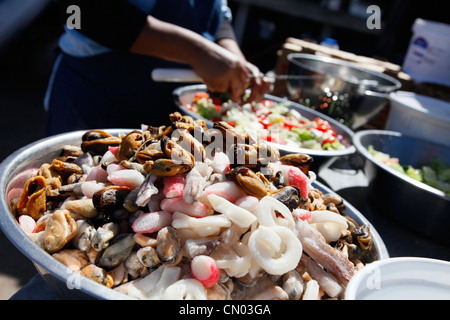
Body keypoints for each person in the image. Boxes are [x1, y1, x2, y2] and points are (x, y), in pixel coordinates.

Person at [45, 0, 271, 135]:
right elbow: (75, 11)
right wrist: (198, 51)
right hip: (95, 97)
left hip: (171, 114)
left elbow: (215, 11)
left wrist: (232, 55)